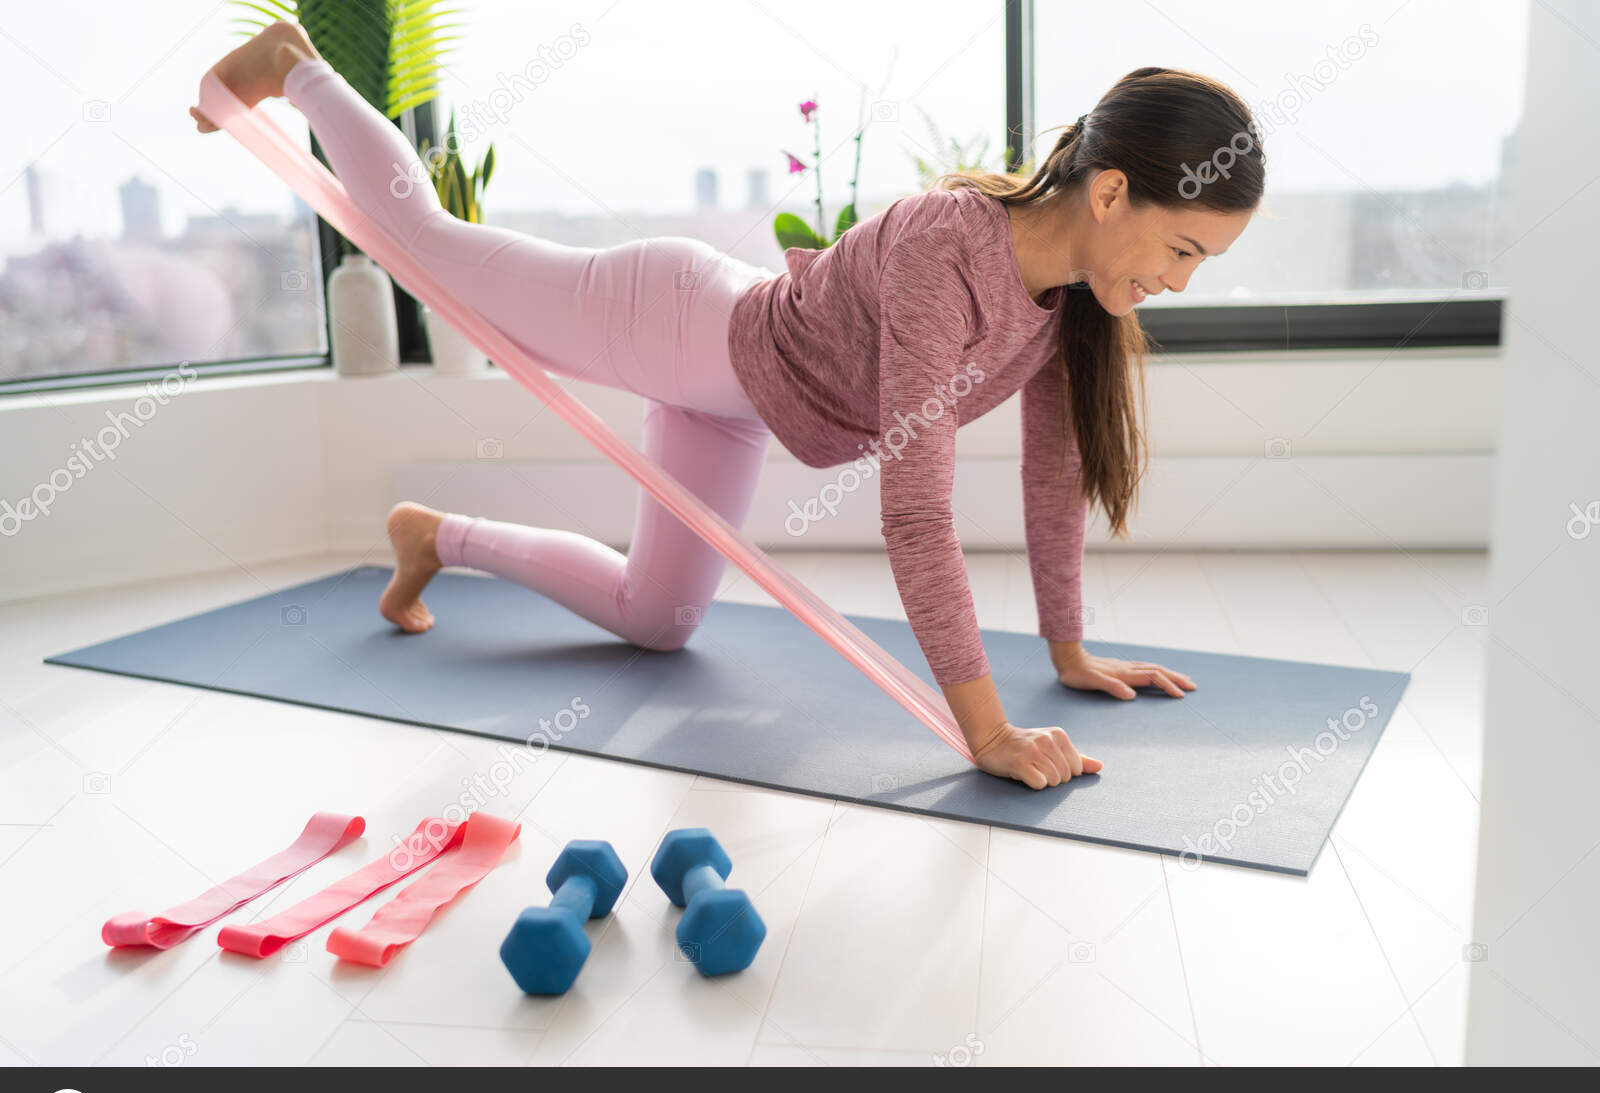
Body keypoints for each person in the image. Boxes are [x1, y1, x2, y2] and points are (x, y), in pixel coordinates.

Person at [192, 23, 1264, 790]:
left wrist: (1067, 654)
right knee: (424, 248)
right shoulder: (953, 248)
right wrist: (980, 729)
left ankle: (434, 537)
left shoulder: (1063, 304)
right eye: (1181, 248)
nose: (1178, 279)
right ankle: (298, 64)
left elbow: (1050, 474)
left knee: (655, 623)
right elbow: (916, 512)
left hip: (731, 405)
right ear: (1114, 190)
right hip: (671, 320)